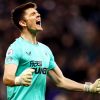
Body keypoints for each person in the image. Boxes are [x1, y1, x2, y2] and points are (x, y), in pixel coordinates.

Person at [3, 2, 100, 100]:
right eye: (33, 14)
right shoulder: (16, 48)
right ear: (23, 23)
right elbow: (7, 78)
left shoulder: (45, 50)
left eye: (37, 13)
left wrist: (88, 87)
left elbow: (60, 81)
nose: (38, 15)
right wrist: (18, 80)